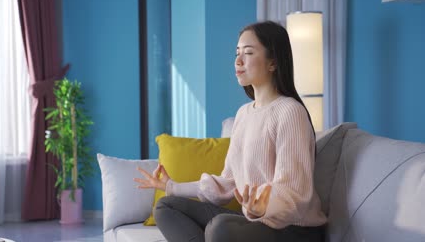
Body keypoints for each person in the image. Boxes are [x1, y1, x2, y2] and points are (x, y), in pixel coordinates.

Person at [134, 21, 327, 242]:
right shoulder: (244, 114)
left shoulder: (290, 112)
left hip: (293, 229)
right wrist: (171, 186)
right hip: (256, 220)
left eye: (248, 53)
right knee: (166, 206)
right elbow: (228, 183)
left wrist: (263, 208)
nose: (238, 61)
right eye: (237, 53)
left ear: (273, 62)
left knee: (220, 227)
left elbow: (295, 192)